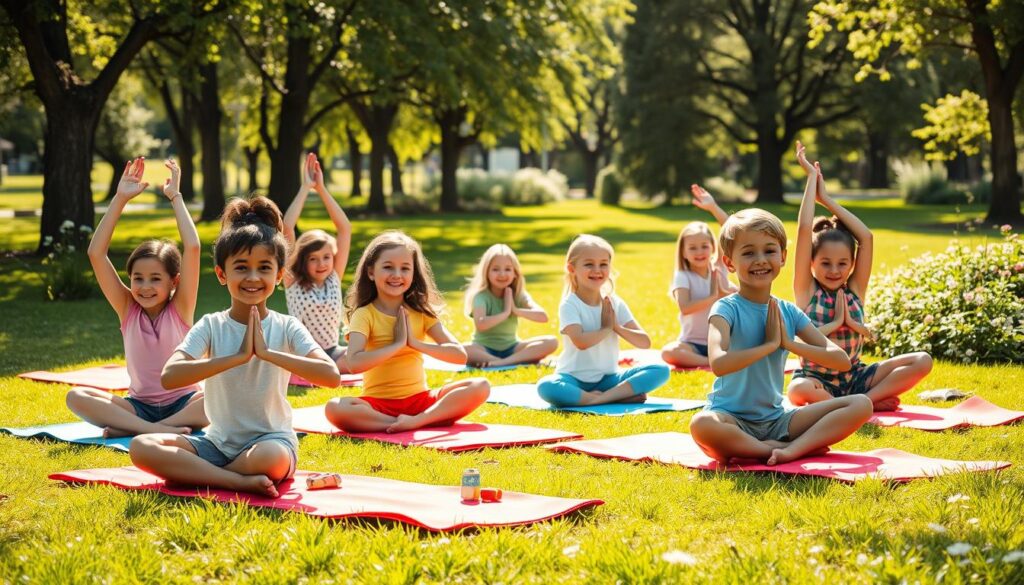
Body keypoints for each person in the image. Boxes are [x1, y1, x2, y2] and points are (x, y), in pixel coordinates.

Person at [129, 196, 340, 498]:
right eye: (241, 267)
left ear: (279, 275)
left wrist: (267, 353)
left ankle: (200, 475)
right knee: (141, 446)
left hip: (270, 443)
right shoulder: (211, 325)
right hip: (216, 444)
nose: (253, 277)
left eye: (264, 268)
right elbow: (170, 375)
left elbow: (330, 376)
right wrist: (236, 357)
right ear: (221, 274)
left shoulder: (286, 326)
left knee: (273, 460)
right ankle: (235, 480)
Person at [688, 207, 872, 465]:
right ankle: (774, 450)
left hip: (777, 420)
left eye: (769, 251)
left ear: (783, 257)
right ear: (730, 263)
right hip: (730, 418)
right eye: (749, 252)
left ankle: (786, 449)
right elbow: (718, 363)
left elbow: (840, 360)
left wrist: (789, 343)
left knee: (861, 404)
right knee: (702, 424)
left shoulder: (787, 311)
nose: (761, 259)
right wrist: (769, 345)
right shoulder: (726, 308)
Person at [788, 141, 932, 411]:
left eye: (843, 263)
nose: (834, 270)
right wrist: (810, 180)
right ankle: (853, 405)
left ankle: (859, 402)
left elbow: (865, 237)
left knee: (922, 360)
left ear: (853, 263)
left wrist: (828, 201)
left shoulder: (854, 289)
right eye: (826, 263)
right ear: (811, 262)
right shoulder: (807, 291)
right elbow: (805, 228)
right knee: (798, 390)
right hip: (817, 380)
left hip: (857, 377)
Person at [69, 157, 206, 437]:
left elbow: (192, 247)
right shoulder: (127, 307)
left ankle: (138, 430)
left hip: (185, 404)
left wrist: (176, 196)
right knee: (76, 396)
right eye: (137, 278)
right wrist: (120, 199)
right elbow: (96, 253)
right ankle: (153, 428)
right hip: (138, 406)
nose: (144, 286)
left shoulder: (181, 307)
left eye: (155, 279)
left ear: (174, 282)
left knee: (219, 397)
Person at [325, 231, 490, 433]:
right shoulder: (364, 314)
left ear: (413, 274)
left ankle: (417, 421)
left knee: (480, 385)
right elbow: (353, 363)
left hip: (420, 401)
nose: (397, 275)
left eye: (405, 268)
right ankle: (397, 423)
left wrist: (415, 343)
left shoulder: (420, 312)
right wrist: (396, 345)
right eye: (388, 267)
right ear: (370, 272)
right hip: (378, 405)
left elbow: (459, 356)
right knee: (335, 408)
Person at [536, 234, 669, 407]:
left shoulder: (614, 303)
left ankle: (599, 398)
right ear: (572, 268)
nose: (597, 270)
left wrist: (616, 327)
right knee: (546, 387)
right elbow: (581, 342)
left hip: (608, 379)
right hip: (572, 379)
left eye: (603, 264)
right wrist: (606, 329)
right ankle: (612, 397)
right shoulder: (569, 304)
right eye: (589, 264)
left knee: (661, 370)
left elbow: (644, 342)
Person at [283, 152, 353, 373]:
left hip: (333, 351)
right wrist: (306, 188)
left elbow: (345, 228)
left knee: (363, 358)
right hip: (304, 355)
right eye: (313, 259)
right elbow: (287, 227)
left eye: (326, 257)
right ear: (302, 262)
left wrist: (321, 189)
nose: (322, 264)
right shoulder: (292, 281)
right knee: (332, 367)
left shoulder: (333, 277)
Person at [661, 185, 737, 368]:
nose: (699, 252)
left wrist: (713, 208)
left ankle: (720, 357)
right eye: (692, 248)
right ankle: (710, 362)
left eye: (704, 246)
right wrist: (714, 297)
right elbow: (685, 307)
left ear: (713, 246)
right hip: (693, 344)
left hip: (723, 342)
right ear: (684, 252)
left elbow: (731, 230)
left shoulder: (719, 266)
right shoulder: (683, 276)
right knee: (668, 352)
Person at [462, 244, 558, 367]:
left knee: (552, 342)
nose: (502, 274)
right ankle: (510, 361)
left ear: (515, 273)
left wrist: (515, 310)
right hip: (484, 349)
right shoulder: (481, 296)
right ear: (486, 272)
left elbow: (543, 317)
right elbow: (481, 324)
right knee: (462, 350)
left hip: (513, 348)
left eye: (508, 269)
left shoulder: (518, 294)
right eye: (496, 269)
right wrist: (505, 313)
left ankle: (503, 362)